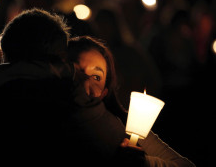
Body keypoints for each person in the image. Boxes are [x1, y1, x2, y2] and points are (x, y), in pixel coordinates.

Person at [0, 8, 146, 166]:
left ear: (5, 57)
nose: (79, 77)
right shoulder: (78, 115)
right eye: (69, 65)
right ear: (56, 64)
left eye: (96, 76)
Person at [67, 35, 196, 167]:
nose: (84, 83)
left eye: (96, 77)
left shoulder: (125, 123)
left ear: (104, 93)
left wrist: (143, 162)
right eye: (76, 71)